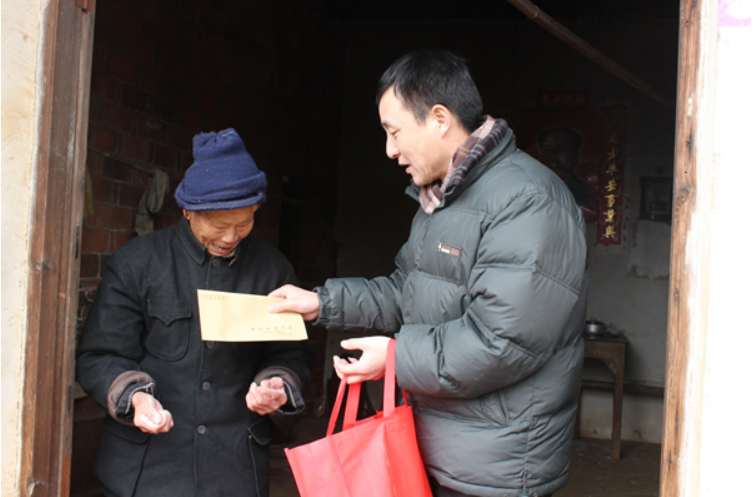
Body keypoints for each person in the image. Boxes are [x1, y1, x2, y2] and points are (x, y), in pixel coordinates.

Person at [269, 50, 588, 497]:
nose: (389, 149)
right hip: (436, 450)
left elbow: (502, 342)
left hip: (493, 470)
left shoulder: (529, 200)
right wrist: (320, 302)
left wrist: (396, 358)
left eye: (394, 131)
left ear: (439, 119)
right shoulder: (443, 197)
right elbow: (409, 291)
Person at [76, 128, 314, 497]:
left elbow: (290, 353)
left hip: (233, 468)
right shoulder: (137, 263)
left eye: (244, 223)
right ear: (188, 211)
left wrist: (277, 384)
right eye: (218, 225)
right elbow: (99, 355)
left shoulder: (272, 270)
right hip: (145, 471)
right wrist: (134, 397)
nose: (231, 237)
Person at [536, 126, 591, 208]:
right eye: (548, 149)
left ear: (576, 156)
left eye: (562, 150)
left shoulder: (587, 192)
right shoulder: (529, 188)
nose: (553, 156)